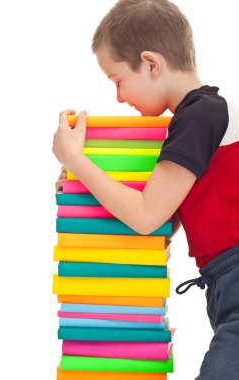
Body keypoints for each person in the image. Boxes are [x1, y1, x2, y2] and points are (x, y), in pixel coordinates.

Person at [52, 1, 239, 378]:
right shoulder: (196, 121)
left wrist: (77, 161)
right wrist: (79, 190)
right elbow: (162, 224)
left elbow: (146, 214)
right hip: (223, 284)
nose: (119, 97)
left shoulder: (201, 114)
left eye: (117, 80)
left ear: (151, 63)